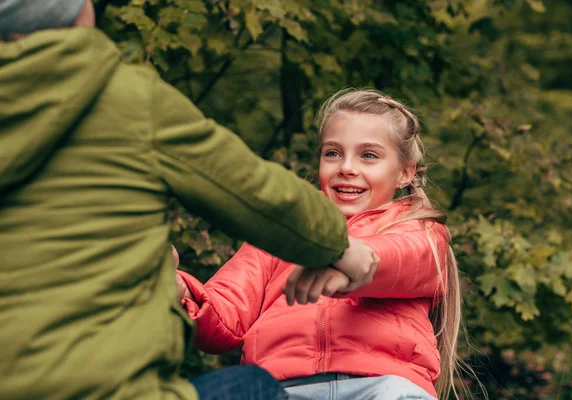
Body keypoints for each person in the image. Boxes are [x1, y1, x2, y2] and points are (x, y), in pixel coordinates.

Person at [0, 2, 380, 400]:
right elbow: (257, 193)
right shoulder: (126, 98)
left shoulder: (415, 227)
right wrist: (337, 244)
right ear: (79, 14)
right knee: (254, 388)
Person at [176, 88, 466, 400]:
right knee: (239, 383)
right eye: (333, 153)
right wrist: (175, 290)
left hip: (380, 387)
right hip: (285, 390)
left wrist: (348, 259)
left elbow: (400, 258)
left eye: (369, 155)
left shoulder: (418, 229)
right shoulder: (282, 230)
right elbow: (225, 313)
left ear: (405, 173)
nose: (346, 167)